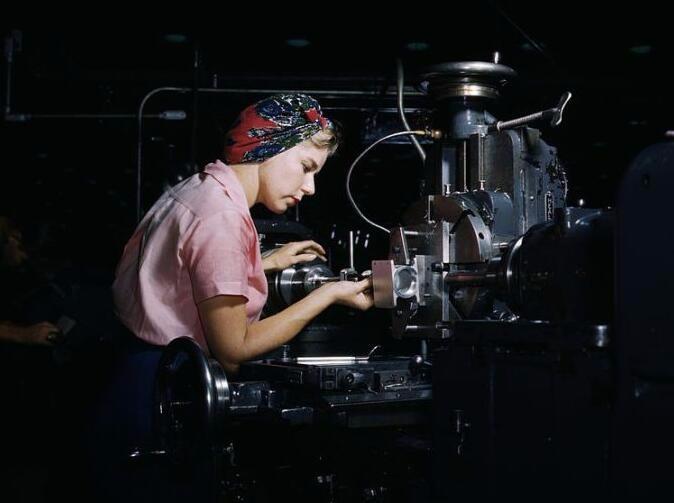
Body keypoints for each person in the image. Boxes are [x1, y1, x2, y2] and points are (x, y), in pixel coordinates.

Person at [91, 93, 373, 501]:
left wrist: (263, 262)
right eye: (306, 167)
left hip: (137, 375)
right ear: (270, 147)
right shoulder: (222, 217)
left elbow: (184, 269)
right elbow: (234, 348)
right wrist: (327, 295)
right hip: (164, 393)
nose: (310, 187)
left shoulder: (202, 188)